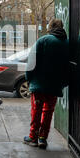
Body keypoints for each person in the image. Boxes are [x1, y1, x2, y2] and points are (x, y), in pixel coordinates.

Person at [23, 19, 69, 149]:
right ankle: (43, 138)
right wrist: (63, 83)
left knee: (36, 111)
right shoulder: (66, 43)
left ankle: (33, 137)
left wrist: (29, 78)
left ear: (50, 27)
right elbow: (68, 66)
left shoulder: (43, 41)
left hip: (39, 84)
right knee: (48, 111)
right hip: (55, 85)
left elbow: (32, 61)